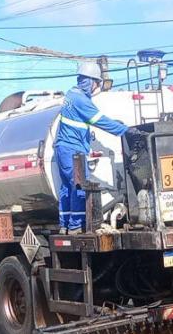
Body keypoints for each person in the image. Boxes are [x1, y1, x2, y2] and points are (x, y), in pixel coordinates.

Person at [54, 61, 129, 233]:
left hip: (64, 148)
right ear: (91, 81)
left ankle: (65, 225)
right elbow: (100, 120)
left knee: (67, 187)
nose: (97, 86)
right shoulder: (81, 100)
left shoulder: (71, 94)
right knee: (80, 186)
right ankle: (75, 226)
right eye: (96, 82)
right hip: (73, 150)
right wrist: (126, 130)